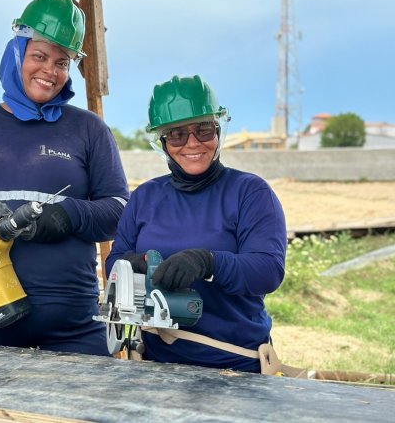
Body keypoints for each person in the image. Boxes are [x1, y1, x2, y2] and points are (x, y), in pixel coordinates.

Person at [0, 0, 129, 356]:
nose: (50, 71)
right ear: (16, 51)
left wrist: (67, 215)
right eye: (39, 56)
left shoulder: (89, 130)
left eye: (62, 62)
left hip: (75, 327)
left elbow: (119, 211)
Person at [105, 75, 287, 373]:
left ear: (218, 131)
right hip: (154, 365)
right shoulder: (145, 197)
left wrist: (210, 263)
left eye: (203, 130)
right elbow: (114, 265)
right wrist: (133, 264)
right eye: (177, 134)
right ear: (161, 141)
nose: (192, 143)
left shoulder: (250, 193)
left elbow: (268, 271)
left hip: (234, 364)